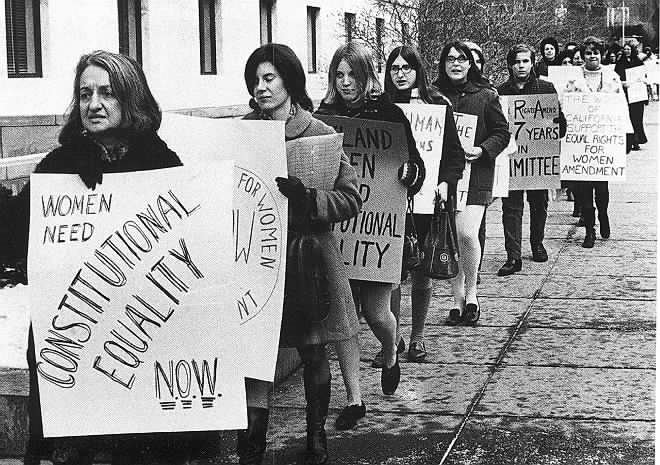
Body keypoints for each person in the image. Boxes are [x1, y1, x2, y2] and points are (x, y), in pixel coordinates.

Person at [0, 50, 185, 465]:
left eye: (107, 93)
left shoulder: (162, 164)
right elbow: (16, 241)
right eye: (85, 94)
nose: (94, 104)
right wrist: (61, 184)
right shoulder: (59, 165)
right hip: (70, 339)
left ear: (131, 99)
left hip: (134, 344)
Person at [240, 43, 362, 465]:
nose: (260, 88)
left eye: (269, 78)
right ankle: (252, 443)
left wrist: (309, 198)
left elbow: (350, 199)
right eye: (255, 81)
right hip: (255, 260)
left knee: (313, 346)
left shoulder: (320, 135)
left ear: (290, 80)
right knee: (254, 350)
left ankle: (316, 437)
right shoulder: (241, 132)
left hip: (307, 258)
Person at [314, 42, 424, 429]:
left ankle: (391, 350)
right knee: (344, 319)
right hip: (338, 234)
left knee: (378, 315)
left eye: (352, 75)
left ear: (366, 77)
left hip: (378, 235)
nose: (345, 83)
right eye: (339, 75)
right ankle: (355, 399)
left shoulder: (389, 114)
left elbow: (415, 166)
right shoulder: (322, 117)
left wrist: (411, 176)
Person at [383, 45, 465, 362]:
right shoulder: (381, 107)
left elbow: (454, 157)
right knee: (391, 274)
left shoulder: (436, 106)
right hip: (390, 201)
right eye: (395, 68)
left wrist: (445, 183)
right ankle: (393, 338)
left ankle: (417, 337)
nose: (401, 74)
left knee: (422, 272)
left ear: (418, 70)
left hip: (427, 201)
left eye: (407, 68)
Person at [432, 41, 510, 325]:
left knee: (466, 233)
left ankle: (473, 292)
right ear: (442, 64)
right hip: (444, 176)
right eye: (450, 59)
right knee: (451, 236)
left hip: (475, 174)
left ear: (470, 64)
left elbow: (502, 132)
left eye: (461, 59)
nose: (455, 63)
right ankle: (457, 299)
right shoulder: (433, 96)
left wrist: (483, 149)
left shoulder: (486, 96)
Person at [496, 44, 567, 276]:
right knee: (511, 209)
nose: (521, 66)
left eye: (525, 61)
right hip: (512, 160)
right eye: (517, 62)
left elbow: (560, 128)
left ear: (532, 62)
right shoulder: (501, 92)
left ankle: (537, 243)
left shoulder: (546, 89)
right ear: (510, 65)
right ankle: (513, 256)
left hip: (537, 160)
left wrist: (556, 115)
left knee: (539, 204)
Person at [568, 36, 625, 248]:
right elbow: (567, 106)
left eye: (596, 52)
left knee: (601, 187)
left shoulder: (611, 77)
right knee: (583, 189)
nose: (593, 56)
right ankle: (589, 230)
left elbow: (620, 106)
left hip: (603, 141)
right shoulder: (573, 79)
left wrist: (624, 134)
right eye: (588, 52)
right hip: (580, 141)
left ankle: (603, 214)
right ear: (583, 56)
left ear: (601, 55)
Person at [615, 41, 648, 151]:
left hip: (637, 95)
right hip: (626, 94)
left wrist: (643, 81)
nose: (626, 51)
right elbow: (616, 77)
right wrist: (623, 83)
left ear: (632, 50)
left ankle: (638, 140)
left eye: (628, 49)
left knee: (638, 118)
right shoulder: (620, 63)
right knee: (629, 117)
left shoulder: (638, 62)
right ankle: (631, 141)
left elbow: (644, 75)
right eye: (625, 49)